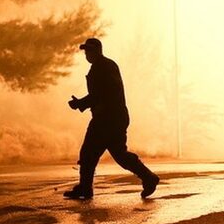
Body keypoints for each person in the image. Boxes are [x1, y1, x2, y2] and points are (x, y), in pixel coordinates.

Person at [65, 37, 159, 200]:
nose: (87, 54)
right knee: (110, 154)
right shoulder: (102, 67)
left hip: (108, 119)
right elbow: (100, 95)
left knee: (93, 153)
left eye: (90, 50)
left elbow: (102, 94)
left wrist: (80, 103)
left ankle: (85, 188)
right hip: (109, 118)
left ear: (98, 51)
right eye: (86, 51)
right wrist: (82, 103)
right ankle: (148, 177)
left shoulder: (104, 67)